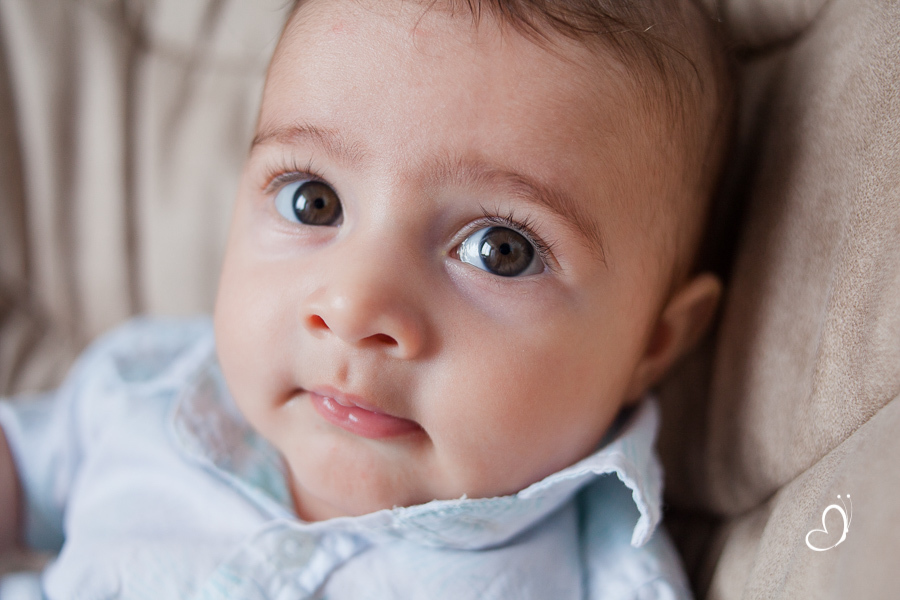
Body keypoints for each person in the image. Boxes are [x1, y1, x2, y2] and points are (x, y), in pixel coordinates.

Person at [0, 0, 734, 597]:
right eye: (314, 202)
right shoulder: (146, 383)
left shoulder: (605, 580)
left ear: (654, 343)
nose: (353, 308)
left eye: (499, 251)